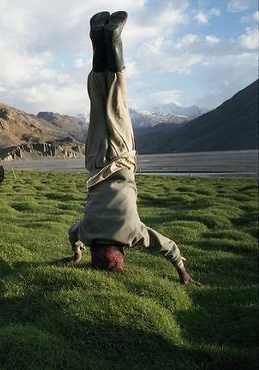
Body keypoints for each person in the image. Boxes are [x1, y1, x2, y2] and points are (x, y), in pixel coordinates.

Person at [62, 11, 199, 285]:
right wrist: (77, 251)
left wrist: (182, 271)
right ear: (94, 250)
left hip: (121, 156)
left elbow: (168, 247)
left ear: (120, 252)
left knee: (117, 97)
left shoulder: (133, 233)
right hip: (93, 158)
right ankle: (98, 40)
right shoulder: (87, 232)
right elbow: (72, 232)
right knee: (98, 98)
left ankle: (112, 38)